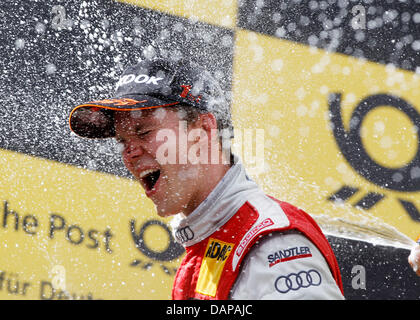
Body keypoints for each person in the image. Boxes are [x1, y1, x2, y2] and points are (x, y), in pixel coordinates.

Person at [69, 57, 344, 300]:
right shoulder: (209, 235)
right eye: (122, 140)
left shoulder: (272, 244)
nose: (129, 152)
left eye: (143, 133)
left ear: (202, 130)